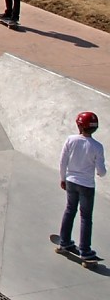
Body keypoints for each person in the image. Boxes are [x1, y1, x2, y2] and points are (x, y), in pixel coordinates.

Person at [57, 111, 105, 261]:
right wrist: (100, 173)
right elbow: (101, 171)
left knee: (70, 210)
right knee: (86, 217)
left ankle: (64, 242)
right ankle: (85, 250)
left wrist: (63, 178)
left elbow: (62, 160)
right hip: (87, 186)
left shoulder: (71, 140)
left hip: (71, 181)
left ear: (79, 125)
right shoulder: (97, 146)